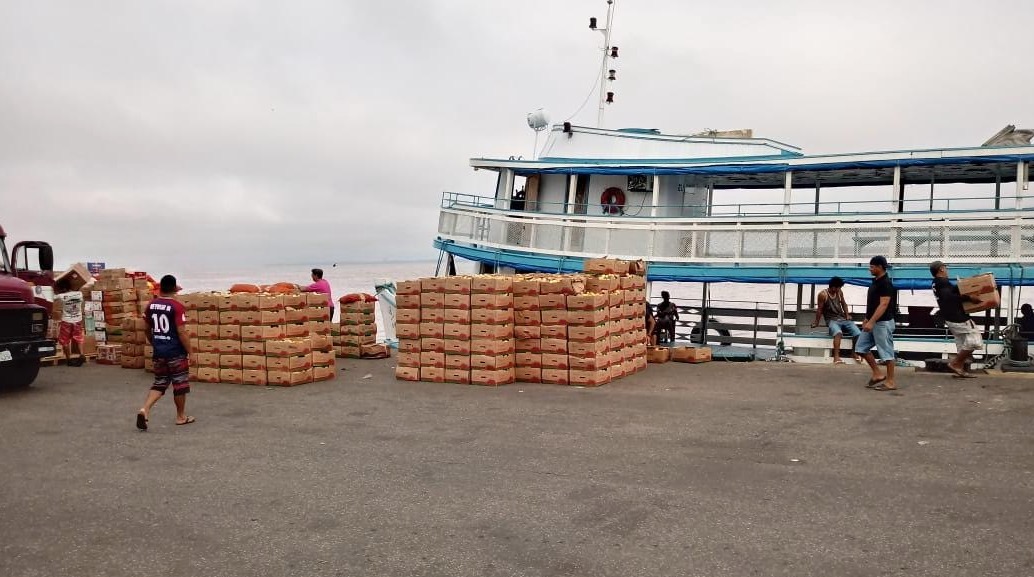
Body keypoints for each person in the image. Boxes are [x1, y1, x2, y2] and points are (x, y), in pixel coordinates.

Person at [136, 275, 193, 430]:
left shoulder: (151, 305)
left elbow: (147, 329)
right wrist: (191, 352)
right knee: (179, 385)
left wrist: (155, 342)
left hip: (159, 352)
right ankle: (181, 416)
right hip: (175, 352)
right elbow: (182, 332)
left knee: (160, 383)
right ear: (175, 289)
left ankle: (145, 409)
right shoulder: (177, 307)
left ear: (160, 288)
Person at [930, 261, 983, 378]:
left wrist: (964, 285)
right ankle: (956, 363)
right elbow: (948, 297)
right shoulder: (942, 282)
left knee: (962, 343)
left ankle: (960, 369)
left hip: (949, 318)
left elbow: (950, 291)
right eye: (945, 267)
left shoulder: (936, 282)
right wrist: (969, 298)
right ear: (941, 269)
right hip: (958, 317)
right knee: (975, 341)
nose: (947, 270)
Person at [856, 256, 898, 391]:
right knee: (861, 348)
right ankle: (877, 373)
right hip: (872, 321)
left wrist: (872, 321)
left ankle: (890, 381)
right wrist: (867, 318)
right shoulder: (875, 281)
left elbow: (884, 304)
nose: (870, 269)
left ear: (880, 267)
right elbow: (873, 303)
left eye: (872, 267)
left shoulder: (886, 283)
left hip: (883, 322)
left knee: (886, 352)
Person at [811, 276, 862, 364]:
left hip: (842, 318)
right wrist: (816, 322)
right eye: (839, 287)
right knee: (838, 333)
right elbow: (819, 309)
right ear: (833, 287)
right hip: (831, 320)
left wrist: (847, 315)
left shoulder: (839, 292)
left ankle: (854, 352)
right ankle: (836, 357)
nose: (840, 289)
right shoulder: (823, 295)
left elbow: (844, 304)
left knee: (858, 333)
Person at [53, 277, 86, 366]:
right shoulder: (79, 294)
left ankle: (69, 359)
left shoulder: (61, 296)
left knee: (64, 340)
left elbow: (53, 297)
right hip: (78, 320)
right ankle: (82, 354)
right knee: (79, 338)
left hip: (67, 321)